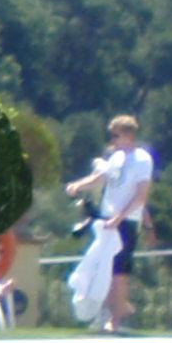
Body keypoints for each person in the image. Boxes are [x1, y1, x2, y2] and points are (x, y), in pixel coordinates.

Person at [65, 113, 156, 330]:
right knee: (102, 268)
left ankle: (115, 320)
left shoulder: (142, 159)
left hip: (125, 222)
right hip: (107, 221)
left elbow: (141, 195)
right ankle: (105, 313)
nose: (112, 140)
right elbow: (100, 178)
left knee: (119, 272)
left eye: (116, 136)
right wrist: (78, 185)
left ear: (128, 134)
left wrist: (120, 217)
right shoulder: (115, 158)